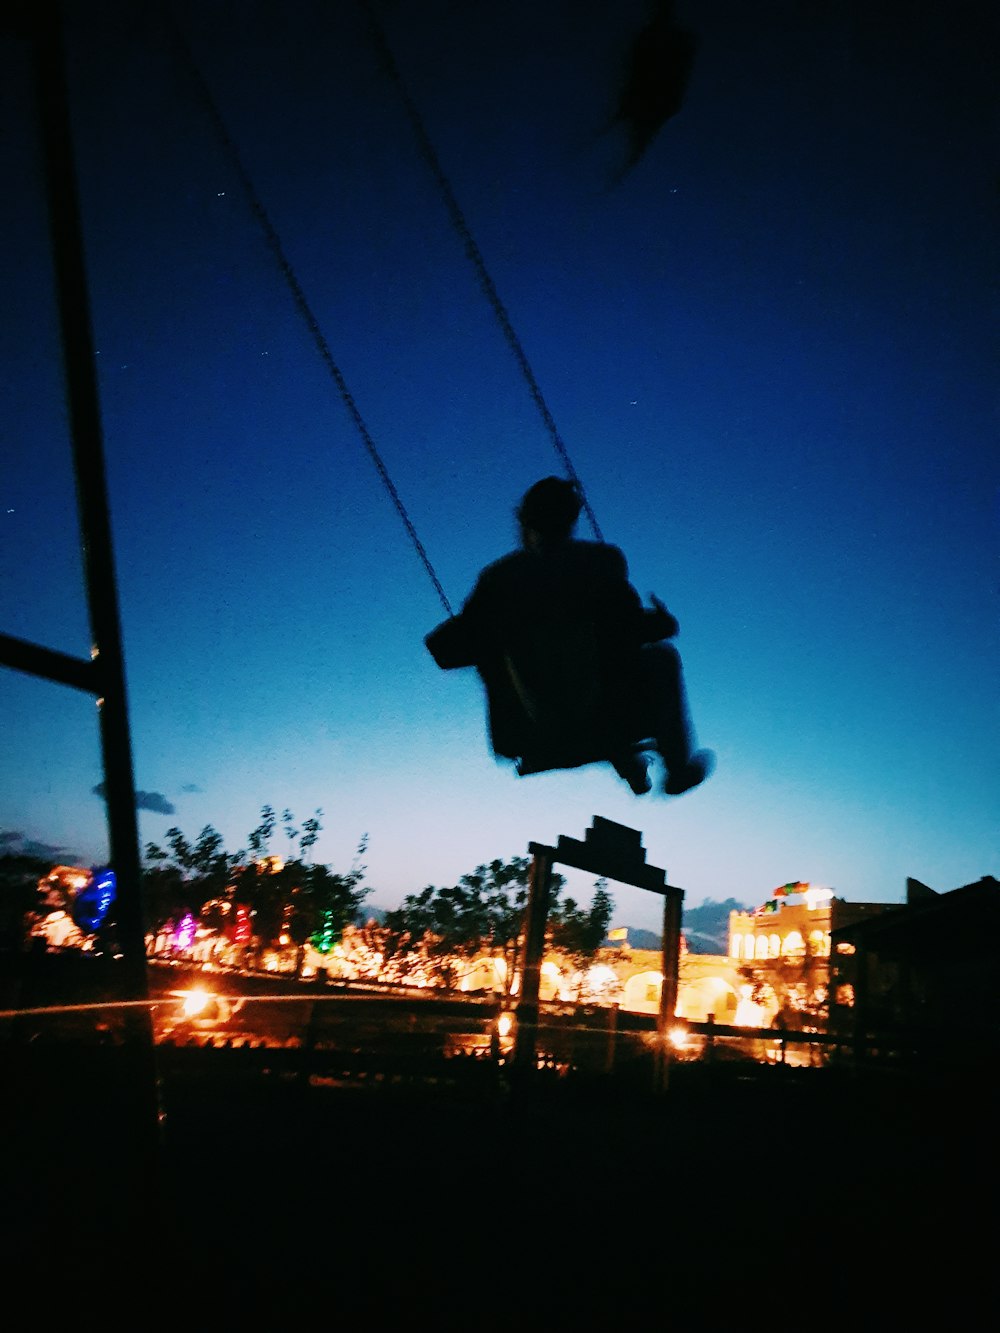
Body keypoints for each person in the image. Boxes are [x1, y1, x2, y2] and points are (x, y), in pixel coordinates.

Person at [425, 476, 715, 796]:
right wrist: (663, 623)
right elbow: (630, 629)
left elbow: (445, 653)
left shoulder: (498, 579)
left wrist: (470, 634)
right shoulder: (602, 562)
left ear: (525, 520)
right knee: (659, 658)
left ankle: (625, 759)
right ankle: (675, 768)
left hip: (531, 723)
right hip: (602, 709)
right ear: (572, 518)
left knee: (575, 665)